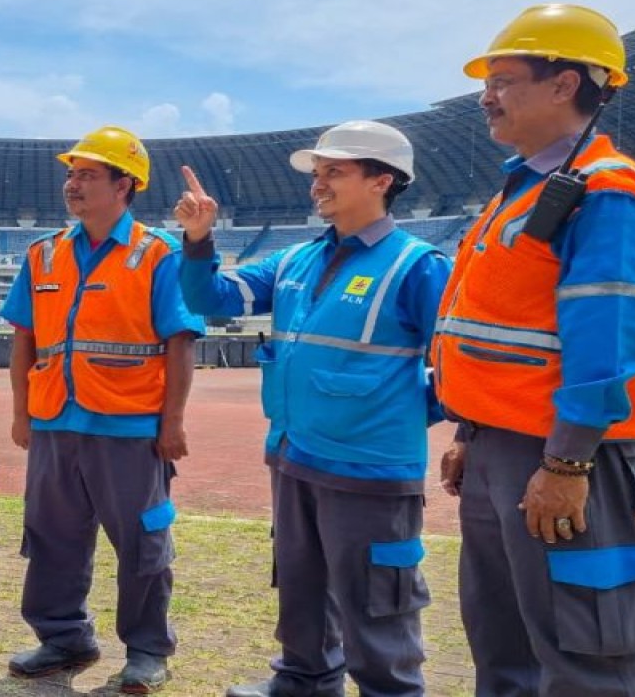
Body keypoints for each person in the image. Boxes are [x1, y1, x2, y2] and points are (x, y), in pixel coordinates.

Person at [433, 4, 635, 697]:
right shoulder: (522, 190)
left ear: (565, 84)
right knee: (502, 642)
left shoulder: (608, 191)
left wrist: (567, 461)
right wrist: (470, 433)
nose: (486, 97)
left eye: (503, 80)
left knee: (588, 656)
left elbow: (608, 341)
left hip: (563, 455)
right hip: (498, 449)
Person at [175, 120, 451, 697]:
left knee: (377, 599)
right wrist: (198, 241)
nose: (317, 184)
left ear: (382, 180)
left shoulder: (418, 265)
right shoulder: (294, 260)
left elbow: (457, 363)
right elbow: (210, 298)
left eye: (334, 172)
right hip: (293, 454)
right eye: (317, 173)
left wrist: (398, 412)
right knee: (301, 582)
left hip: (370, 467)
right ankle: (305, 679)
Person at [0, 125, 204, 694]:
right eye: (71, 174)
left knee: (142, 543)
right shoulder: (42, 254)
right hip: (54, 422)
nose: (73, 184)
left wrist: (172, 423)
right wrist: (21, 413)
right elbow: (24, 339)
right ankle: (64, 638)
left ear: (124, 185)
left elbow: (180, 342)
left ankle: (147, 650)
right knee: (51, 537)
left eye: (87, 174)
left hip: (130, 426)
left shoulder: (157, 254)